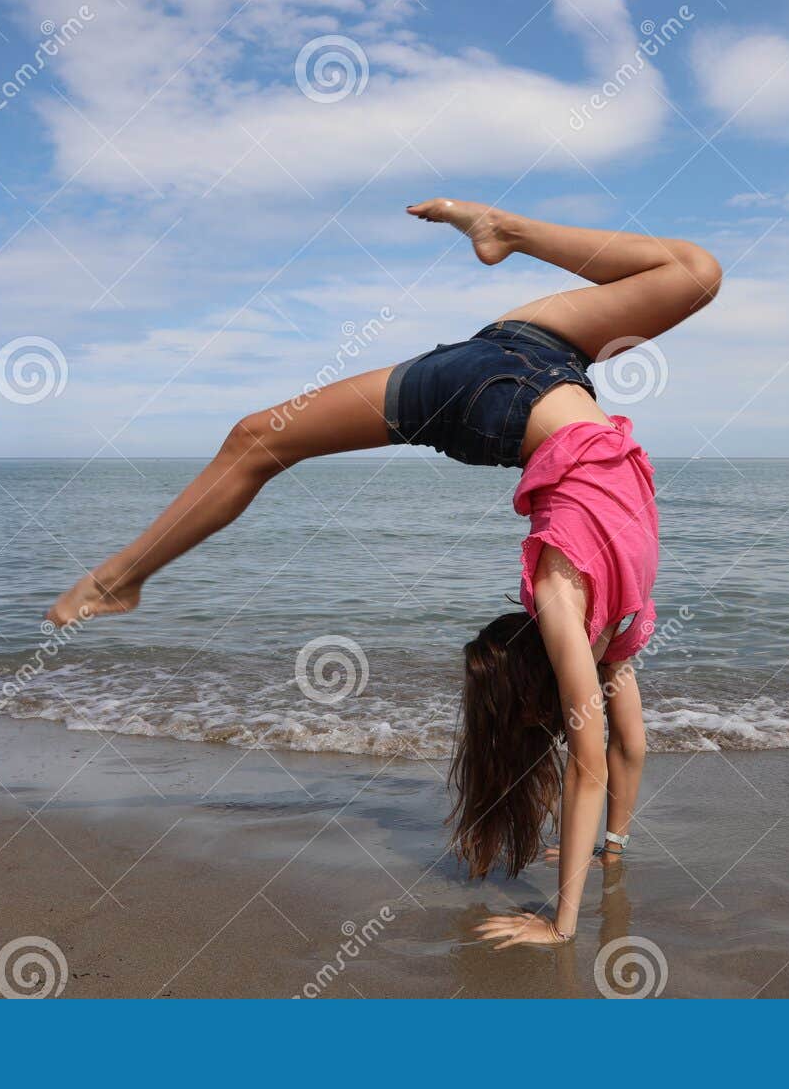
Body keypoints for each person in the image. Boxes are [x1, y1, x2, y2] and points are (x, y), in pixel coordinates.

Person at [46, 199, 721, 947]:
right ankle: (508, 231)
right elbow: (612, 753)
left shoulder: (580, 611)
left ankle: (119, 579)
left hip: (491, 396)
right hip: (544, 352)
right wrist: (603, 858)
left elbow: (603, 758)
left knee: (258, 440)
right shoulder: (606, 633)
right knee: (697, 271)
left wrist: (566, 917)